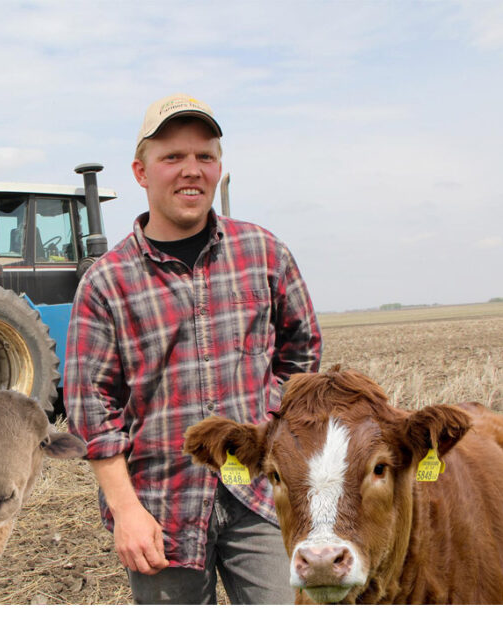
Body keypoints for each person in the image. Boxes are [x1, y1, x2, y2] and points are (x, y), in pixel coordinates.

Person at [63, 93, 322, 604]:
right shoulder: (106, 282)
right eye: (172, 157)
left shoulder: (264, 253)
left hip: (263, 497)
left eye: (204, 157)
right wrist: (126, 511)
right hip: (162, 507)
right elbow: (93, 410)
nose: (191, 170)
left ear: (219, 169)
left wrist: (271, 425)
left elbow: (302, 355)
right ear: (141, 172)